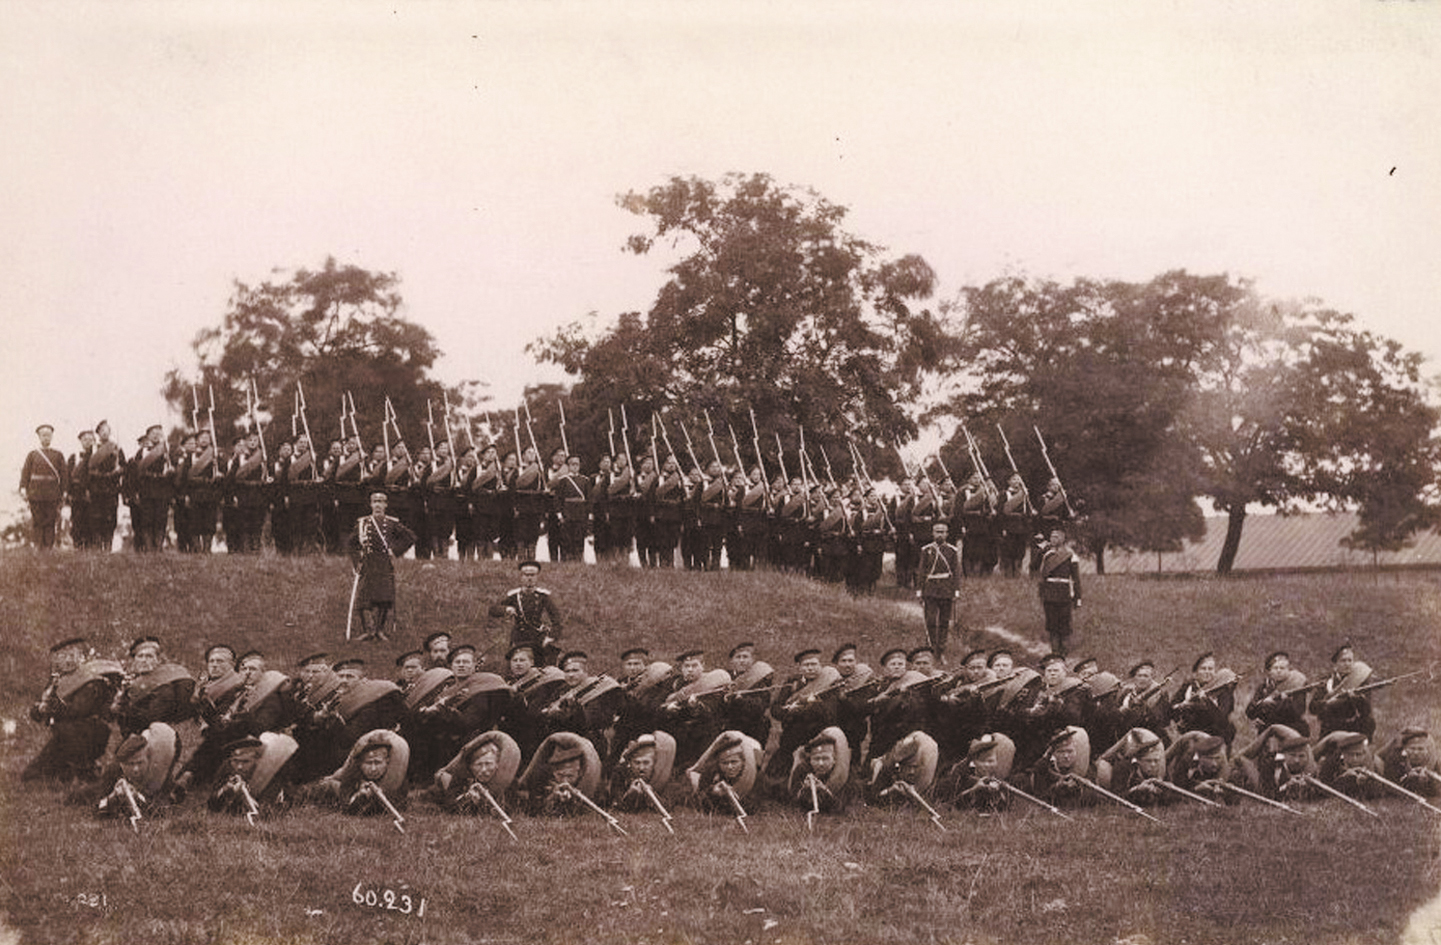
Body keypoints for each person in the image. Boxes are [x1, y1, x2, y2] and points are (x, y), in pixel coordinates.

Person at [23, 638, 120, 783]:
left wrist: (47, 709)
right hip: (64, 737)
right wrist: (39, 709)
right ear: (57, 660)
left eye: (73, 655)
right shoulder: (58, 680)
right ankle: (70, 771)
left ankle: (85, 769)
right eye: (63, 656)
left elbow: (77, 710)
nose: (69, 660)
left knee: (73, 772)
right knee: (32, 776)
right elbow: (39, 709)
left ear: (81, 657)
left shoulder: (92, 680)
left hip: (88, 736)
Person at [345, 491, 418, 641]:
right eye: (375, 502)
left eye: (381, 502)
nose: (378, 505)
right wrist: (356, 561)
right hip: (368, 562)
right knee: (364, 596)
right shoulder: (363, 523)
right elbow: (351, 544)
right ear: (371, 504)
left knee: (384, 597)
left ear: (386, 505)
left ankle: (379, 630)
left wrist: (395, 550)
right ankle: (368, 631)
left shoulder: (391, 523)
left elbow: (410, 537)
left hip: (384, 562)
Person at [488, 560, 563, 665]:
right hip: (519, 636)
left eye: (532, 575)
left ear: (537, 577)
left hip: (537, 636)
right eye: (526, 575)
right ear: (521, 577)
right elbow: (493, 610)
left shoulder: (543, 596)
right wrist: (506, 609)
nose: (529, 578)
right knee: (517, 663)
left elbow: (556, 619)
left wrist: (550, 637)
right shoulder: (514, 596)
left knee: (540, 665)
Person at [435, 730, 523, 814]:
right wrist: (467, 798)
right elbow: (450, 806)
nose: (483, 770)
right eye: (479, 765)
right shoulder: (460, 781)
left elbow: (512, 808)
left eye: (488, 764)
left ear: (497, 764)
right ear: (471, 767)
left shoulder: (509, 783)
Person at [916, 522, 962, 661]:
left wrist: (956, 591)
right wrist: (919, 591)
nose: (940, 534)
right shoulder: (926, 549)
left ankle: (940, 650)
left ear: (947, 534)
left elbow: (956, 572)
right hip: (930, 590)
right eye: (937, 531)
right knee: (930, 620)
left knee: (944, 621)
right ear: (933, 533)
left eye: (943, 532)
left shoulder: (952, 550)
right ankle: (931, 648)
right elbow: (921, 571)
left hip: (946, 590)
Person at [20, 424, 68, 550]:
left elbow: (64, 474)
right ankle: (38, 547)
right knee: (37, 520)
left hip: (52, 494)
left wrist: (65, 491)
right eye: (43, 435)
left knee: (50, 521)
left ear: (52, 437)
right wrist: (24, 488)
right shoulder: (32, 455)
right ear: (39, 437)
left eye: (48, 435)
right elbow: (25, 473)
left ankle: (48, 548)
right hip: (35, 493)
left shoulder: (58, 455)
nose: (46, 438)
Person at [1036, 527, 1081, 656]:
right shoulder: (1047, 554)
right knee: (1052, 626)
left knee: (1064, 626)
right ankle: (1055, 654)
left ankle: (1064, 654)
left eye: (1056, 537)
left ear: (1062, 539)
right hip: (1049, 595)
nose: (1052, 539)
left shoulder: (1071, 555)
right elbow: (1038, 572)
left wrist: (1078, 598)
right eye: (1051, 537)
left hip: (1064, 594)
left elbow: (1076, 579)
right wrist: (1041, 551)